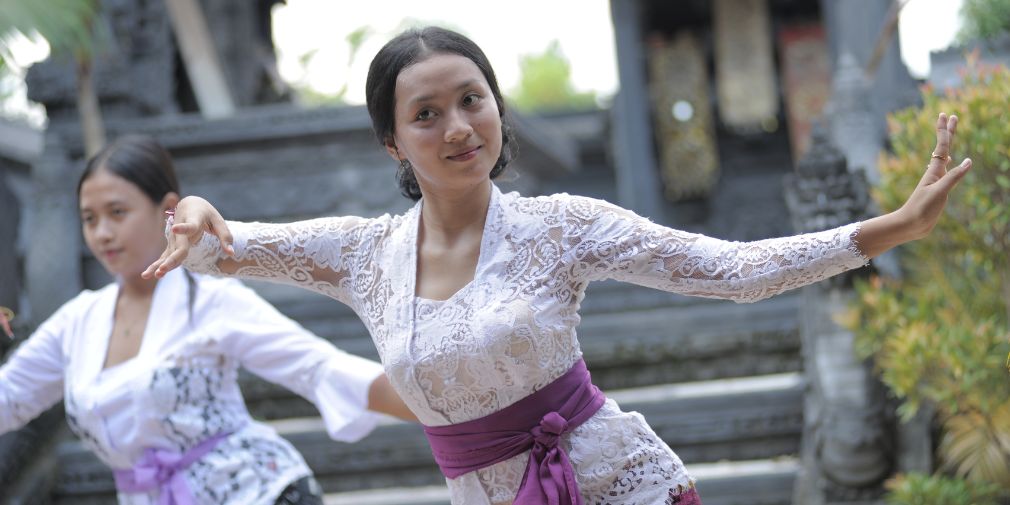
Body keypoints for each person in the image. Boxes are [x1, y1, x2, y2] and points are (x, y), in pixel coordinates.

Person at [144, 26, 972, 505]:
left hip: (623, 486)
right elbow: (225, 245)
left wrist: (891, 227)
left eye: (471, 99)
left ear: (497, 107)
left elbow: (729, 271)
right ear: (392, 141)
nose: (458, 126)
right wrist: (195, 211)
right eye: (426, 113)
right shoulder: (364, 254)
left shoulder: (560, 227)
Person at [0, 134, 414, 505]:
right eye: (90, 219)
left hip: (261, 493)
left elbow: (317, 366)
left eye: (117, 212)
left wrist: (439, 404)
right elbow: (10, 395)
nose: (103, 232)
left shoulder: (209, 300)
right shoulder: (76, 322)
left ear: (167, 210)